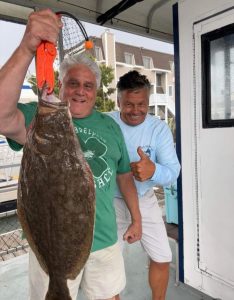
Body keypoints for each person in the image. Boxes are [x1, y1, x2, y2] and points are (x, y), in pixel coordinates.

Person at [0, 9, 142, 300]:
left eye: (88, 85)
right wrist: (28, 46)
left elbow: (124, 175)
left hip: (104, 240)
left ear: (96, 91)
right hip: (51, 243)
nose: (80, 91)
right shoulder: (40, 120)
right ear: (60, 85)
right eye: (73, 83)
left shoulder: (110, 126)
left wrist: (136, 218)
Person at [109, 70, 180, 300]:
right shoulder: (105, 123)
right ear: (118, 101)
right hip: (110, 201)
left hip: (145, 199)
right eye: (129, 104)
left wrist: (154, 171)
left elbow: (173, 172)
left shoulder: (158, 128)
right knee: (107, 266)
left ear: (148, 101)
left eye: (142, 104)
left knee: (162, 257)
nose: (136, 110)